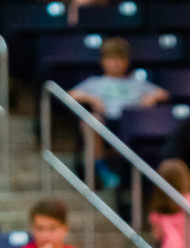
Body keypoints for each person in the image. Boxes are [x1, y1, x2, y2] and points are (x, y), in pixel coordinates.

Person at [68, 37, 169, 189]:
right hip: (106, 123)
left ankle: (130, 171)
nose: (116, 63)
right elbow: (70, 95)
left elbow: (163, 93)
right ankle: (104, 171)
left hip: (132, 123)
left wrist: (151, 97)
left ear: (127, 61)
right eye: (111, 58)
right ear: (102, 61)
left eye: (120, 58)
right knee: (90, 120)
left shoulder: (137, 83)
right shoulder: (95, 82)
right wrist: (91, 98)